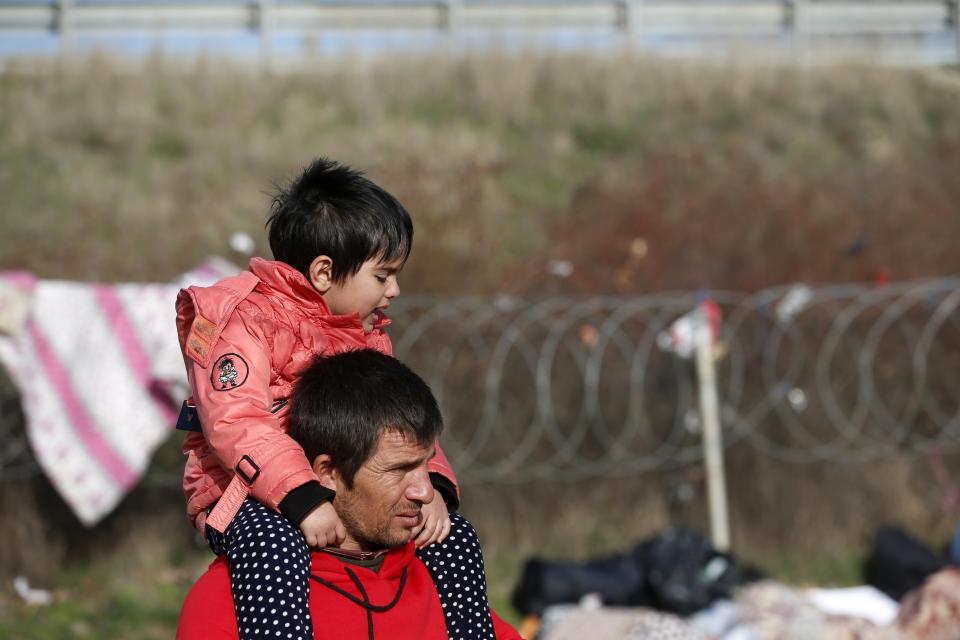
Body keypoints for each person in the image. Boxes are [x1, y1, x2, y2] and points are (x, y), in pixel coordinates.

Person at [175, 158, 492, 639]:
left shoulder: (363, 334)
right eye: (383, 276)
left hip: (333, 482)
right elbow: (236, 422)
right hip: (242, 491)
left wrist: (436, 489)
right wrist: (301, 496)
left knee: (454, 538)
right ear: (324, 271)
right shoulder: (246, 320)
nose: (395, 290)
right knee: (275, 548)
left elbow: (401, 426)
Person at [177, 350, 521, 640]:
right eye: (399, 470)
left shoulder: (449, 588)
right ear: (328, 474)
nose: (425, 491)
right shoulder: (236, 603)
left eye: (427, 467)